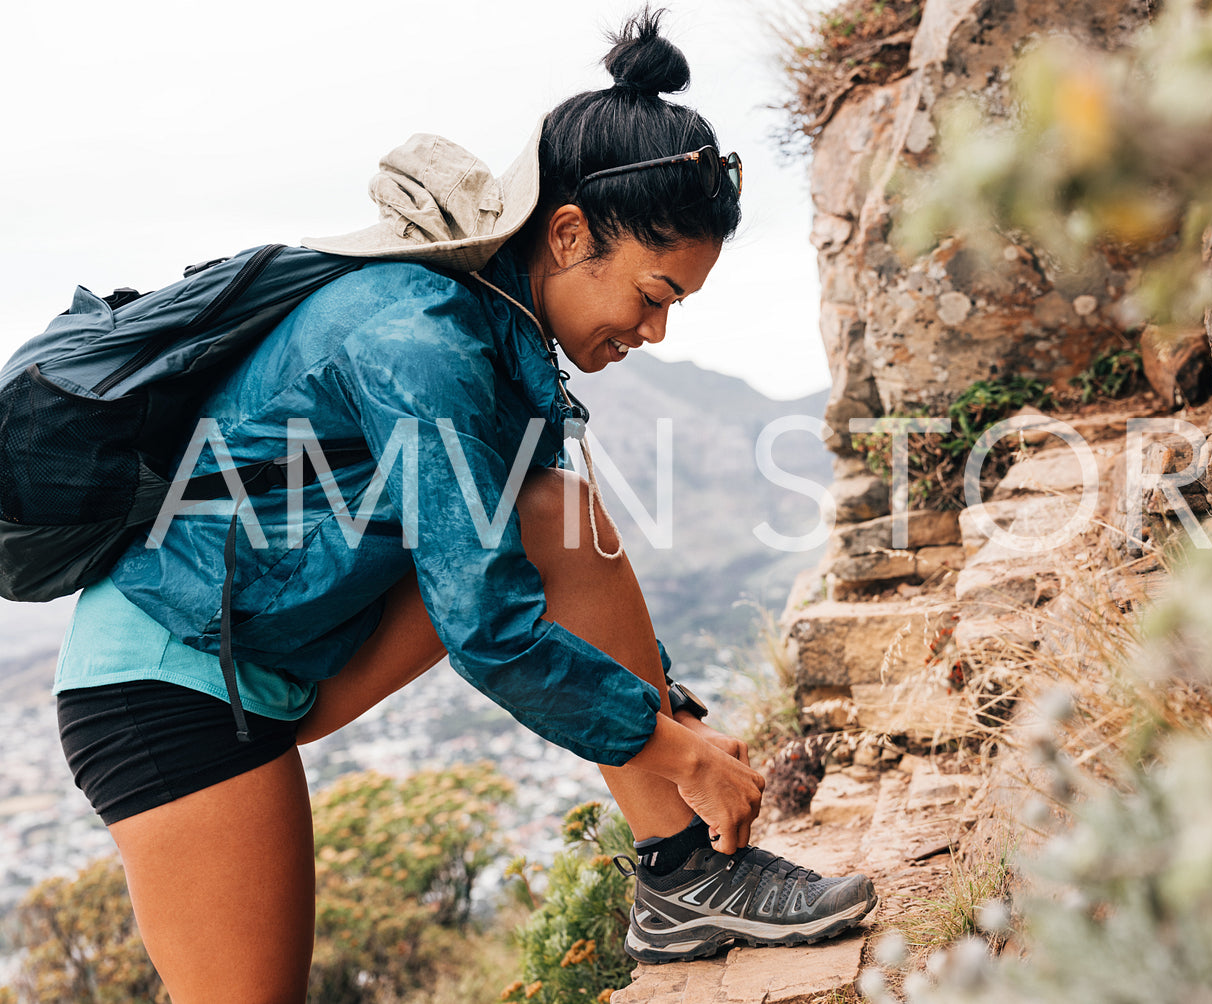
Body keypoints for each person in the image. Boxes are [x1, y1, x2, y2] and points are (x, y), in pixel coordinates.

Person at [49, 8, 874, 1002]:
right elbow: (485, 630)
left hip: (270, 640)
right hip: (164, 679)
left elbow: (541, 570)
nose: (654, 331)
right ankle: (683, 863)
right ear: (569, 234)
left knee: (557, 514)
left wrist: (671, 714)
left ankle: (682, 879)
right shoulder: (422, 341)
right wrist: (681, 751)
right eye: (652, 294)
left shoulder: (490, 341)